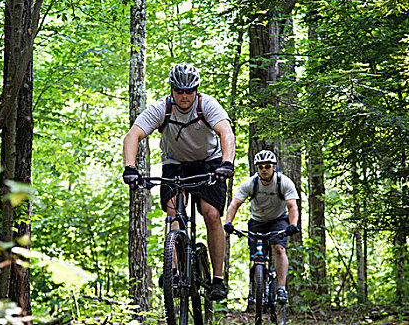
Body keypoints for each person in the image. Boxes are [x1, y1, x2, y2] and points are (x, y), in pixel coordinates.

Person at [122, 63, 235, 301]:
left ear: (196, 90)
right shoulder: (162, 109)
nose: (184, 96)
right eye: (179, 91)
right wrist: (130, 167)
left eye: (189, 91)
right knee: (174, 211)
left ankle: (217, 279)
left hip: (209, 162)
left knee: (211, 214)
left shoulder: (207, 105)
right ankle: (172, 269)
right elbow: (133, 134)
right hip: (175, 164)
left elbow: (226, 132)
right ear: (172, 90)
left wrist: (227, 163)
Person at [224, 150, 300, 304]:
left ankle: (281, 288)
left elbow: (292, 207)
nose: (264, 169)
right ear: (256, 168)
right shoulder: (250, 184)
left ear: (274, 167)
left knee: (278, 248)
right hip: (257, 221)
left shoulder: (284, 182)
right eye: (260, 167)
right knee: (255, 257)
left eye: (267, 166)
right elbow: (234, 204)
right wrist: (228, 223)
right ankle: (255, 289)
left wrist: (293, 225)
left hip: (279, 219)